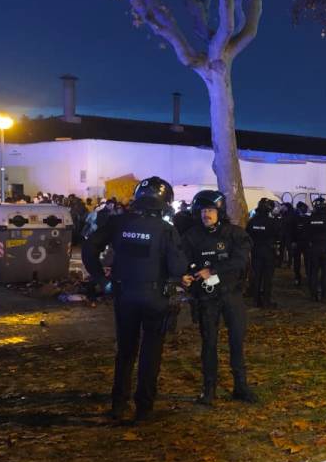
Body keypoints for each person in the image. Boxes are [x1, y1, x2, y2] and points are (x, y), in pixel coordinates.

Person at [82, 176, 187, 422]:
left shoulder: (119, 222)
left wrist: (100, 279)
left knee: (126, 351)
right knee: (150, 353)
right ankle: (144, 408)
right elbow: (178, 266)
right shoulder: (166, 229)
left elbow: (89, 247)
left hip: (124, 294)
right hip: (155, 298)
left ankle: (119, 404)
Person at [181, 189, 257, 404]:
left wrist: (213, 270)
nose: (207, 214)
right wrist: (184, 276)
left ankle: (240, 386)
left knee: (236, 341)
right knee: (209, 343)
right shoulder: (191, 236)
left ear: (219, 211)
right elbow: (181, 260)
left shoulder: (234, 233)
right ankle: (209, 389)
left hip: (231, 295)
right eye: (203, 210)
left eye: (211, 210)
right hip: (206, 299)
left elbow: (240, 260)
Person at [246, 197, 279, 308]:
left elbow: (247, 236)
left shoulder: (252, 222)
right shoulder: (272, 222)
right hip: (269, 252)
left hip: (256, 252)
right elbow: (278, 236)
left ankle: (256, 300)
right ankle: (266, 301)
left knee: (257, 276)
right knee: (267, 277)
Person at [304, 196, 326, 301]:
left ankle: (313, 295)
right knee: (325, 274)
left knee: (313, 272)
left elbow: (306, 234)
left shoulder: (310, 219)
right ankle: (324, 295)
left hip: (313, 248)